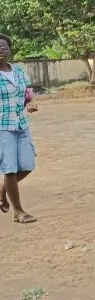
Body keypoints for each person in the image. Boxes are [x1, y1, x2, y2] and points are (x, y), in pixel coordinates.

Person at [0, 33, 38, 224]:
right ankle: (18, 212)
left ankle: (2, 190)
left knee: (28, 165)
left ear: (9, 50)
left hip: (22, 124)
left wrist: (30, 103)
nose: (1, 50)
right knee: (10, 169)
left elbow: (27, 94)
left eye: (4, 47)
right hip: (3, 127)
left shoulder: (18, 71)